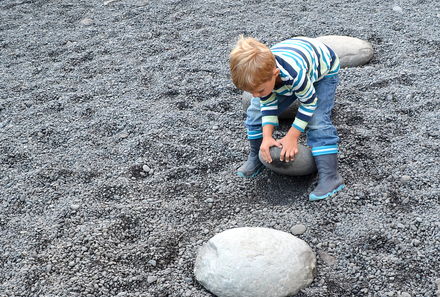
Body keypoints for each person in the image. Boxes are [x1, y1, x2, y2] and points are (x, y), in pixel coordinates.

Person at [229, 36, 345, 201]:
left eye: (259, 90)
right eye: (251, 91)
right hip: (290, 63)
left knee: (317, 120)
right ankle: (256, 156)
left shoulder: (294, 74)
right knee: (255, 112)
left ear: (275, 74)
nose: (255, 95)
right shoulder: (264, 76)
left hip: (323, 71)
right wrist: (267, 137)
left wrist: (292, 136)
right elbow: (266, 103)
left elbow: (309, 103)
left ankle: (331, 177)